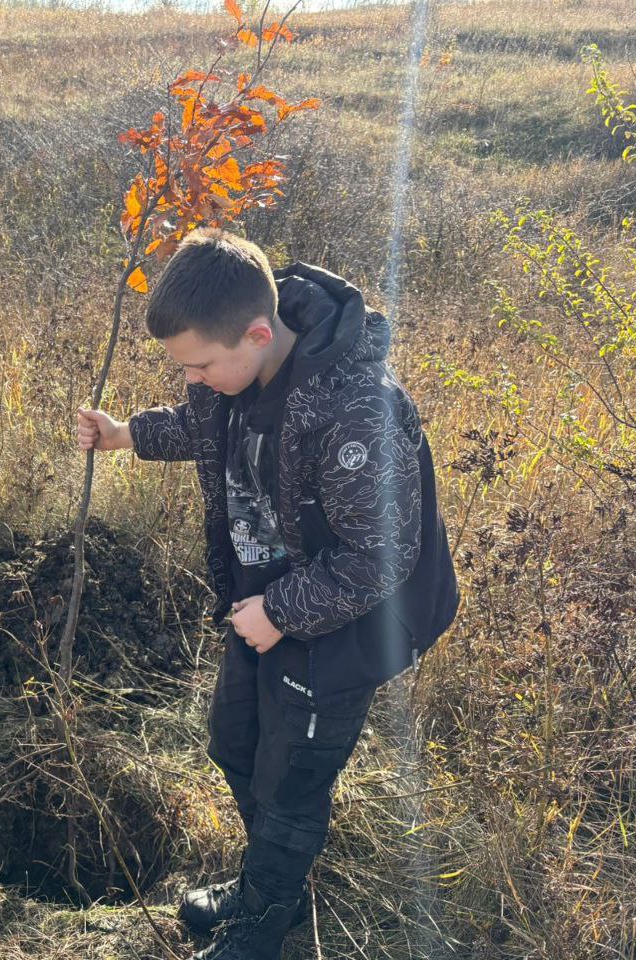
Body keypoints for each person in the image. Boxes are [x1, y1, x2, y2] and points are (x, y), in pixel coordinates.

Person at [77, 230, 459, 960]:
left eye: (201, 364)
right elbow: (203, 424)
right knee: (236, 744)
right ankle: (268, 880)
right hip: (261, 611)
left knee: (291, 779)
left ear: (257, 332)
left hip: (344, 627)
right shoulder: (238, 369)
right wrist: (127, 435)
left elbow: (379, 556)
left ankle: (270, 915)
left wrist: (282, 611)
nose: (192, 379)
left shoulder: (357, 411)